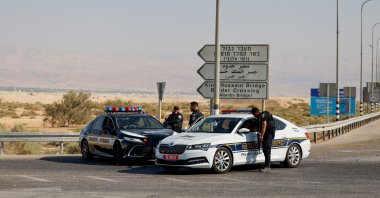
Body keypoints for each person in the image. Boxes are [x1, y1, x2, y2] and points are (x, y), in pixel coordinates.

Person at [251, 106, 276, 173]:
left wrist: (261, 135)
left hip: (268, 135)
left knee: (267, 150)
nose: (254, 116)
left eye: (254, 115)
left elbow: (264, 125)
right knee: (265, 150)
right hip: (267, 135)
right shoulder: (260, 117)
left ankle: (268, 167)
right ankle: (266, 166)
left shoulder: (263, 115)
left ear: (256, 112)